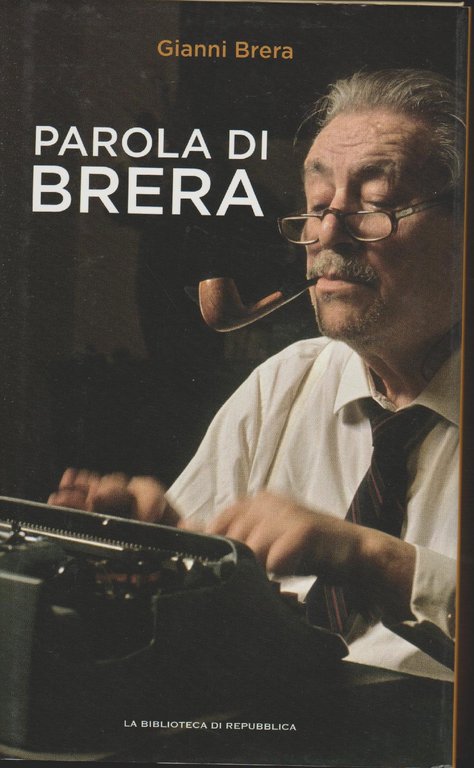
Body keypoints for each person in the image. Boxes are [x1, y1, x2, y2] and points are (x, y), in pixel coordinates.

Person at [49, 69, 465, 682]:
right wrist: (169, 548)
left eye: (375, 205)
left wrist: (371, 558)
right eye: (317, 207)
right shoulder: (284, 385)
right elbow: (215, 594)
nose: (327, 234)